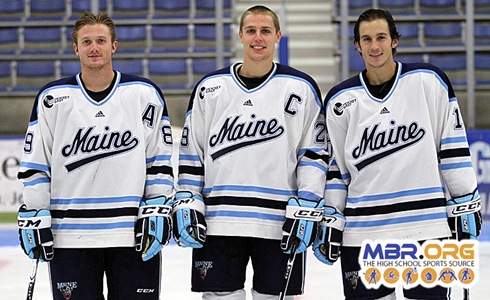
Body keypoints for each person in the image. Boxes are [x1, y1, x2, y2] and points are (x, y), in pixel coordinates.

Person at [313, 8, 482, 300]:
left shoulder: (428, 80)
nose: (374, 46)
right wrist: (332, 215)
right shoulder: (340, 100)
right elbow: (337, 170)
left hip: (426, 226)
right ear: (357, 45)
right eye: (366, 39)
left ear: (395, 41)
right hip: (363, 232)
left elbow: (452, 146)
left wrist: (465, 197)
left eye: (381, 37)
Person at [173, 5, 328, 300]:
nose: (258, 38)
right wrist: (190, 198)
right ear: (241, 35)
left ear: (278, 36)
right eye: (252, 31)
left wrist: (308, 200)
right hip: (218, 221)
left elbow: (314, 152)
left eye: (266, 31)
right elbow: (192, 153)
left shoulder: (301, 87)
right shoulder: (211, 88)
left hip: (279, 222)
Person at [16, 11, 174, 299]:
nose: (94, 48)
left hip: (133, 235)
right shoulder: (53, 98)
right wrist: (36, 211)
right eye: (86, 41)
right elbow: (36, 165)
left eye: (101, 40)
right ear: (75, 48)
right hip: (70, 237)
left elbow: (159, 161)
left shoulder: (143, 94)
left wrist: (158, 203)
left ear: (114, 45)